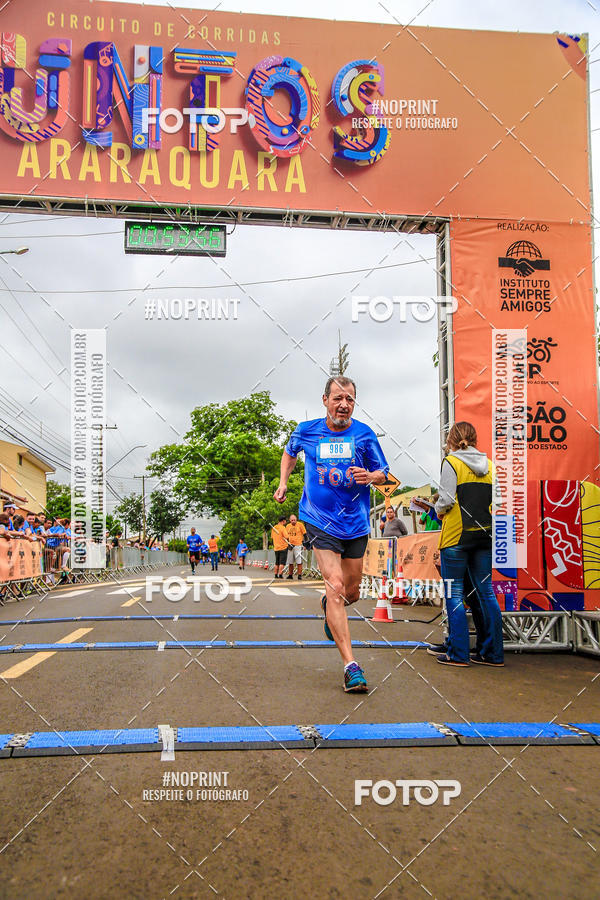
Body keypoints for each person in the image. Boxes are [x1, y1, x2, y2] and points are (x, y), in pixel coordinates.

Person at [274, 375, 389, 693]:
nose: (344, 404)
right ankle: (351, 666)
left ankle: (330, 604)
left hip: (355, 523)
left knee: (351, 592)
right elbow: (289, 453)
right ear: (324, 400)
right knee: (336, 586)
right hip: (319, 519)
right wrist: (284, 482)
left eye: (350, 399)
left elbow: (385, 473)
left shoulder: (364, 435)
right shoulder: (306, 430)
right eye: (338, 398)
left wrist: (371, 475)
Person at [434, 421, 504, 667]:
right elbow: (498, 501)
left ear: (451, 441)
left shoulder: (451, 463)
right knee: (486, 592)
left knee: (453, 594)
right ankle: (492, 653)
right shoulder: (491, 467)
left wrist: (436, 510)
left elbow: (445, 501)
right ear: (475, 440)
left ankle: (458, 653)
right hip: (485, 536)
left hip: (456, 536)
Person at [284, 514, 306, 579]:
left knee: (299, 561)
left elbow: (305, 534)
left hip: (298, 545)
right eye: (292, 520)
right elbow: (286, 536)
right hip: (290, 545)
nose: (293, 521)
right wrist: (287, 544)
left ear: (296, 520)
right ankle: (290, 575)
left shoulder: (300, 525)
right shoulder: (287, 526)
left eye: (294, 520)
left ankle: (299, 575)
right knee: (290, 561)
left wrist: (305, 544)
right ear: (290, 520)